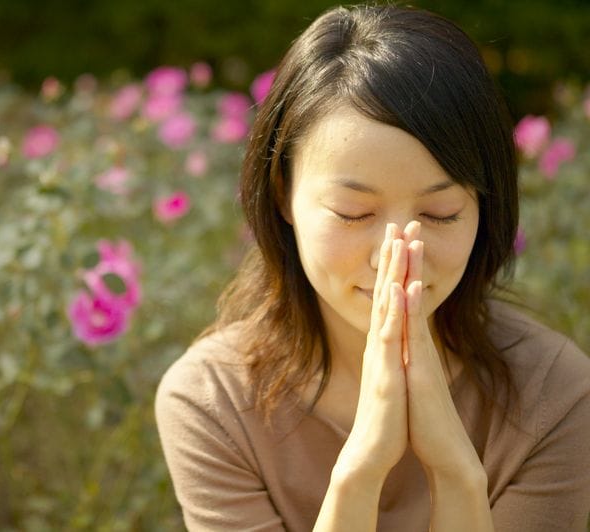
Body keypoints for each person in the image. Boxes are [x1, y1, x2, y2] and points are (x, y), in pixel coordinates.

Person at [154, 4, 590, 531]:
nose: (397, 255)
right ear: (282, 197)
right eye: (353, 212)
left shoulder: (556, 396)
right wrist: (362, 468)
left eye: (440, 214)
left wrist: (455, 471)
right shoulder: (212, 404)